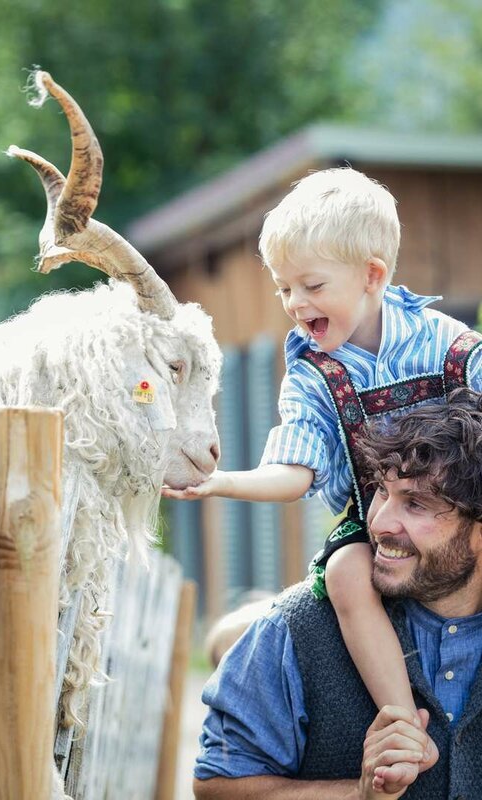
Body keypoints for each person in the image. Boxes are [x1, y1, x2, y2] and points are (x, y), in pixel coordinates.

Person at [163, 167, 482, 789]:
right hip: (371, 519)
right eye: (283, 288)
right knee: (343, 573)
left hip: (458, 510)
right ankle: (403, 722)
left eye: (311, 284)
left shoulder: (448, 345)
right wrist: (222, 483)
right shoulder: (314, 372)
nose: (295, 303)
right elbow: (296, 469)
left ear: (373, 275)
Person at [194, 389, 482, 798]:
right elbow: (215, 789)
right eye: (382, 491)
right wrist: (358, 795)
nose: (379, 523)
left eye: (415, 504)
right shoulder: (293, 631)